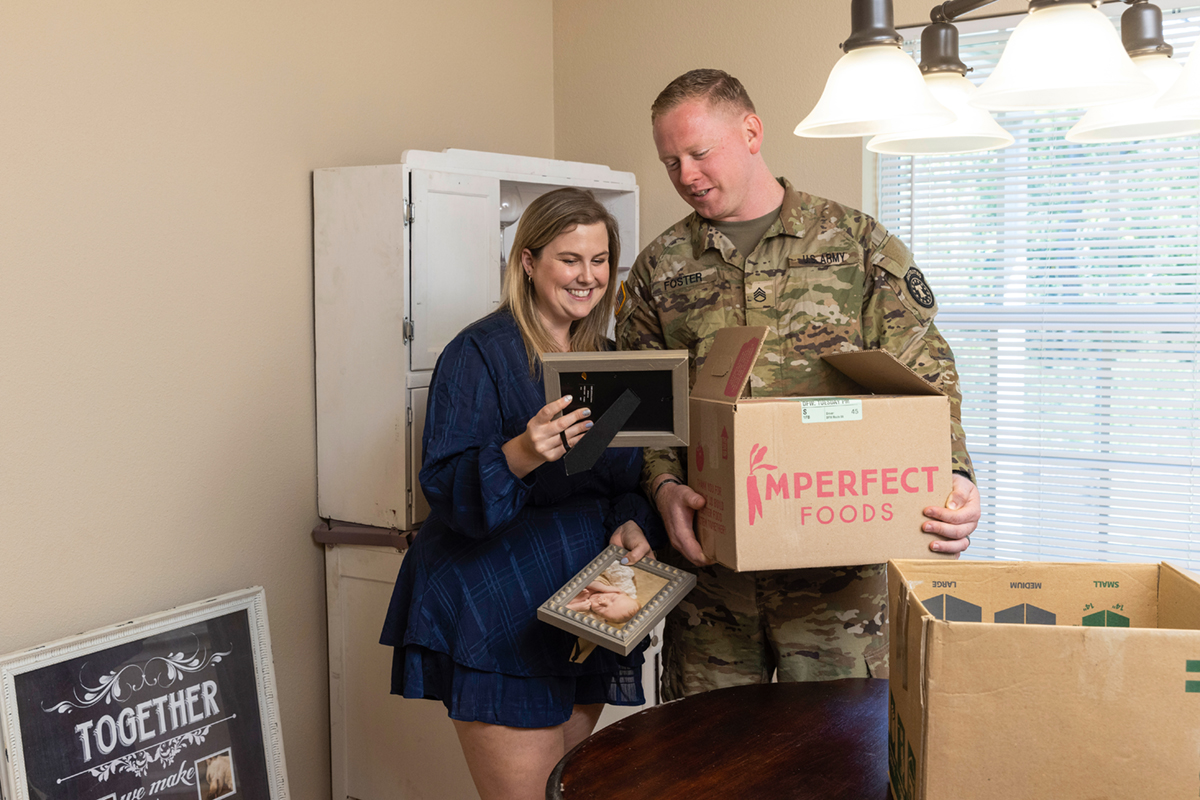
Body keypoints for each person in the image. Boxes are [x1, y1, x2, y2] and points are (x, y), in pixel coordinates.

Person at [615, 69, 981, 701]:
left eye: (700, 153)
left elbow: (924, 374)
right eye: (670, 162)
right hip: (713, 580)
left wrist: (955, 476)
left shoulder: (858, 245)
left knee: (841, 763)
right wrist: (664, 484)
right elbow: (644, 408)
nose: (687, 176)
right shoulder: (659, 269)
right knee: (708, 767)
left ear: (751, 132)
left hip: (839, 580)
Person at [380, 187, 663, 800]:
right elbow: (446, 490)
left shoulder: (610, 359)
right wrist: (523, 451)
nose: (587, 277)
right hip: (498, 596)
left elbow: (624, 479)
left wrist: (632, 522)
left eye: (599, 261)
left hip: (586, 596)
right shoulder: (476, 354)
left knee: (570, 788)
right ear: (529, 262)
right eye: (569, 259)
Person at [566, 564, 642, 624]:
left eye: (603, 609)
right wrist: (604, 588)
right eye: (612, 599)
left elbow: (559, 610)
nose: (603, 602)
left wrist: (576, 607)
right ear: (618, 592)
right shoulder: (605, 584)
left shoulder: (585, 610)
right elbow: (585, 581)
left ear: (601, 616)